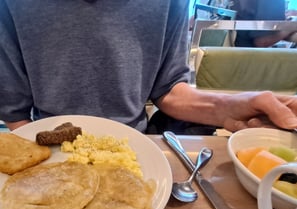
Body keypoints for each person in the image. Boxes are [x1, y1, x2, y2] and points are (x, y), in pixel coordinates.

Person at [1, 0, 297, 134]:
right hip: (47, 140)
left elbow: (168, 89)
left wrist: (228, 106)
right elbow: (14, 112)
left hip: (138, 143)